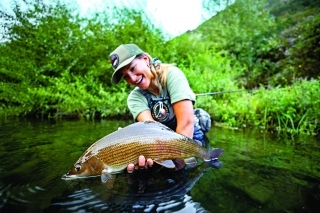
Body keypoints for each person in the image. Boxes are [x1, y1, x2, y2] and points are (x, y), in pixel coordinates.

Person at [109, 43, 211, 173]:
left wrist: (178, 161)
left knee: (182, 174)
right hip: (160, 141)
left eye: (133, 68)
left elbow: (186, 124)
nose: (133, 78)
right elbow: (151, 130)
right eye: (126, 77)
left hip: (189, 136)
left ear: (146, 59)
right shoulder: (134, 98)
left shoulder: (172, 75)